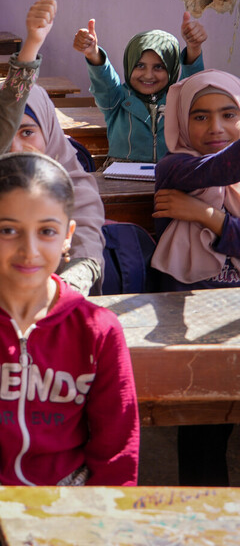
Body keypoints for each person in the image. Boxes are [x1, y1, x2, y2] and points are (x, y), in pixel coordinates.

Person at [0, 152, 139, 545]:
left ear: (69, 235)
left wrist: (105, 521)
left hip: (65, 504)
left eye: (47, 231)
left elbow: (117, 452)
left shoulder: (98, 330)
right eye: (8, 230)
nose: (29, 250)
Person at [0, 0, 105, 297]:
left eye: (27, 133)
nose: (15, 147)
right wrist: (31, 46)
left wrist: (66, 291)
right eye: (5, 134)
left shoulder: (73, 182)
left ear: (50, 132)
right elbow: (4, 122)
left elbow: (87, 247)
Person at [150, 69, 240, 486]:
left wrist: (207, 216)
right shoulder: (175, 166)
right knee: (205, 431)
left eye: (229, 113)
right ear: (182, 121)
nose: (216, 127)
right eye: (200, 116)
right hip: (194, 327)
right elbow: (213, 171)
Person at [71, 11, 207, 162]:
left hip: (169, 176)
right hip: (121, 180)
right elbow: (104, 82)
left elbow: (192, 82)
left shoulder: (179, 99)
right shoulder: (117, 99)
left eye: (159, 67)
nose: (148, 75)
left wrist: (194, 48)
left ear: (172, 69)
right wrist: (93, 54)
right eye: (140, 65)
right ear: (129, 65)